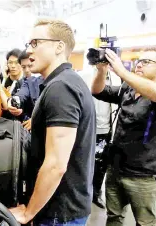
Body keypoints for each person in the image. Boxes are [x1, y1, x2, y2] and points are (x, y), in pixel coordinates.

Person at [9, 19, 96, 226]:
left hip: (60, 211)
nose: (30, 51)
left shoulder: (61, 87)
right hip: (57, 206)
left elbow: (56, 164)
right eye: (29, 44)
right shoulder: (60, 82)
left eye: (35, 43)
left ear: (59, 46)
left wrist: (29, 212)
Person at [91, 48, 156, 226]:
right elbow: (98, 90)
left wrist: (121, 71)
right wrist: (101, 71)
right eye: (139, 61)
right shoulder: (128, 88)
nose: (140, 64)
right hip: (116, 167)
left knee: (145, 222)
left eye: (147, 62)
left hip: (143, 174)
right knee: (114, 216)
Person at [80, 66, 122, 209]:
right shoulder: (84, 75)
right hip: (87, 128)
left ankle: (95, 194)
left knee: (101, 165)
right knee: (84, 163)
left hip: (107, 129)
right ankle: (82, 194)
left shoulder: (116, 77)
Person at [8, 50, 44, 130]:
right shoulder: (23, 83)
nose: (27, 70)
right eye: (24, 67)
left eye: (30, 66)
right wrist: (14, 104)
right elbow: (20, 96)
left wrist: (38, 119)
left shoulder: (49, 81)